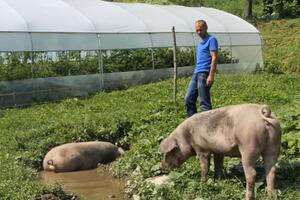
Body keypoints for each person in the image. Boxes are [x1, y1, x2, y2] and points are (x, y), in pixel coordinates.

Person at [185, 20, 218, 117]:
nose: (199, 32)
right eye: (197, 30)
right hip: (196, 73)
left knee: (204, 102)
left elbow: (214, 57)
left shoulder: (211, 40)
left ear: (206, 28)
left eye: (201, 30)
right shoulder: (200, 43)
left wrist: (211, 75)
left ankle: (208, 127)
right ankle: (193, 123)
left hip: (204, 73)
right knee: (188, 99)